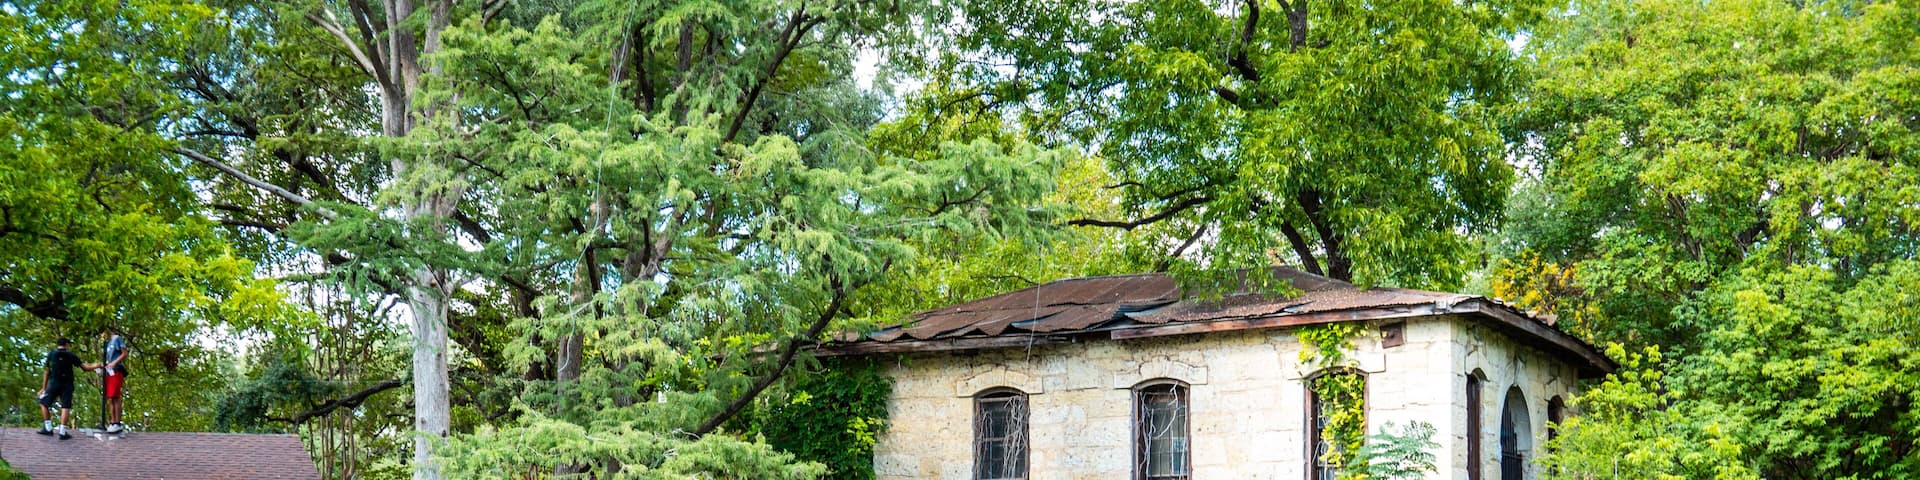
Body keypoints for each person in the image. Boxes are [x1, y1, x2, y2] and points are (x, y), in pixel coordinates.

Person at [36, 337, 99, 440]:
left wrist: (43, 388)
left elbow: (46, 371)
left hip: (54, 383)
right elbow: (85, 368)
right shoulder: (71, 355)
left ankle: (48, 427)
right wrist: (97, 365)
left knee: (43, 403)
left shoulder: (51, 354)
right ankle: (62, 432)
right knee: (65, 406)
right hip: (67, 385)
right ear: (66, 344)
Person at [100, 328, 130, 434]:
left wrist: (114, 363)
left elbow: (124, 353)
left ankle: (117, 422)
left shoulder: (117, 339)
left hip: (117, 370)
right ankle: (112, 422)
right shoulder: (106, 343)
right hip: (109, 371)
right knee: (110, 397)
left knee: (115, 396)